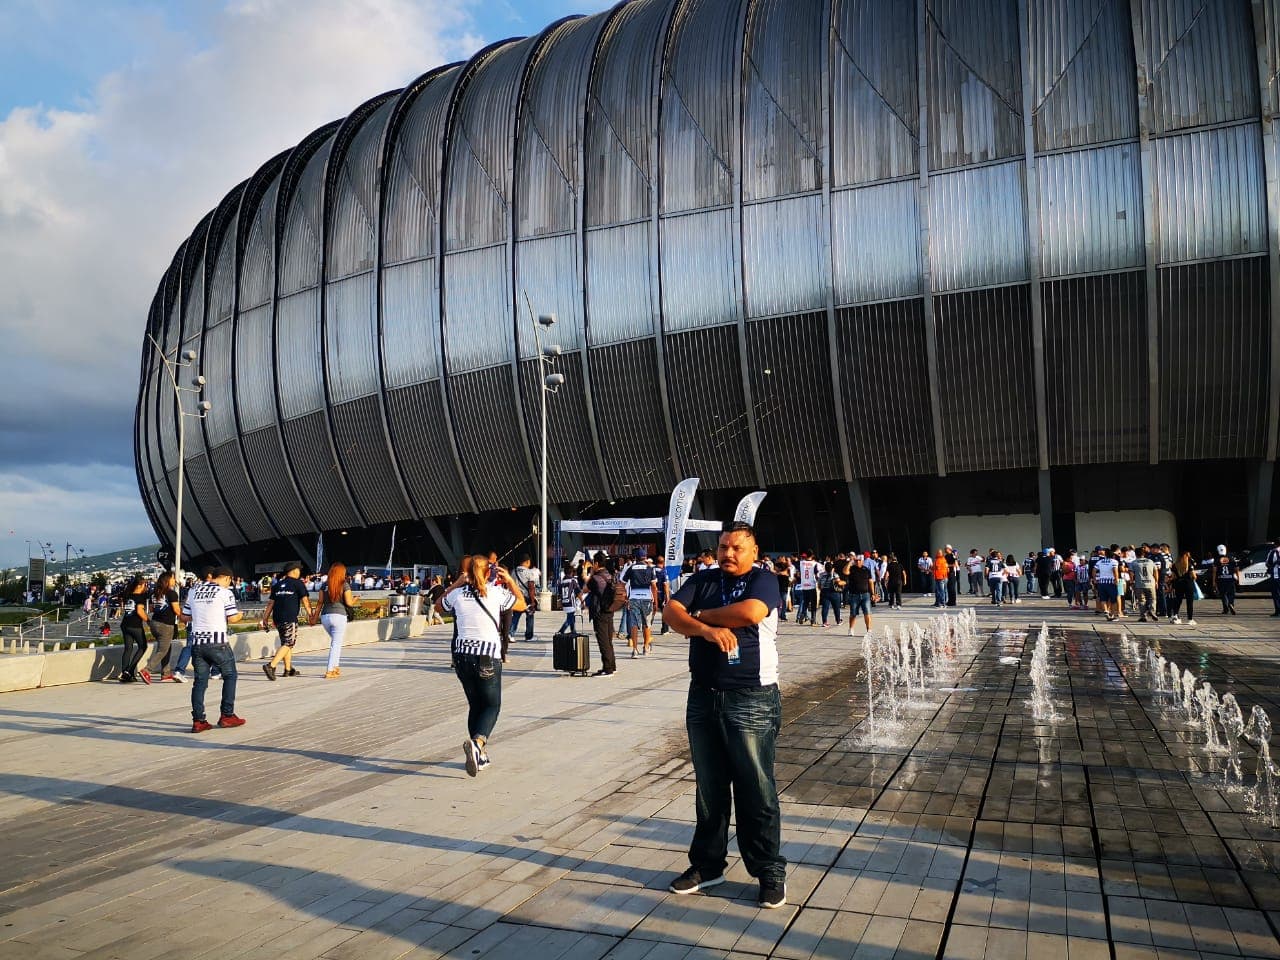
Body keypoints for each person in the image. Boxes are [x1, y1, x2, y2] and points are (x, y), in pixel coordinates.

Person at [661, 523, 786, 910]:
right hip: (703, 696)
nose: (728, 554)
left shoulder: (763, 580)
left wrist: (700, 617)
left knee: (756, 788)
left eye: (736, 548)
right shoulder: (703, 579)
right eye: (723, 547)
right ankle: (707, 864)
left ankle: (768, 869)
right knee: (709, 788)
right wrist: (706, 630)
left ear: (754, 551)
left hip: (751, 697)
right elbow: (671, 613)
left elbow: (750, 612)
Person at [438, 554, 524, 776]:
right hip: (486, 656)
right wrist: (510, 580)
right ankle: (477, 744)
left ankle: (480, 756)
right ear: (489, 573)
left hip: (461, 656)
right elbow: (522, 604)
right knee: (492, 706)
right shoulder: (496, 592)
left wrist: (456, 584)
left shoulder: (457, 594)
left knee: (475, 705)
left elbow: (438, 606)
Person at [180, 566, 245, 732]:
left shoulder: (193, 591)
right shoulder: (224, 592)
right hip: (218, 642)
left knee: (200, 682)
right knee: (230, 675)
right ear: (226, 578)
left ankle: (198, 720)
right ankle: (227, 715)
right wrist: (241, 614)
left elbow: (184, 617)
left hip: (198, 642)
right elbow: (233, 618)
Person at [261, 561, 313, 680]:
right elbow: (305, 601)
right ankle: (271, 666)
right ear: (294, 571)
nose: (299, 572)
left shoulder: (277, 585)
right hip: (289, 618)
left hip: (278, 618)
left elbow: (270, 603)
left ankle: (288, 669)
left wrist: (265, 618)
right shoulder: (298, 583)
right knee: (289, 643)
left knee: (286, 643)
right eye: (298, 570)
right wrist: (311, 615)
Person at [312, 561, 357, 678]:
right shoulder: (344, 584)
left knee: (336, 642)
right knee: (336, 644)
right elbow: (349, 603)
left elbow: (320, 602)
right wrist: (355, 599)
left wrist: (314, 618)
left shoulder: (324, 585)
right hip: (339, 616)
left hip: (325, 617)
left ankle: (335, 668)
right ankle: (330, 670)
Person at [142, 571, 182, 682]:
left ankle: (166, 673)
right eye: (173, 578)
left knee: (167, 647)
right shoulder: (172, 593)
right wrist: (185, 617)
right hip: (166, 625)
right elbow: (176, 610)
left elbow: (151, 609)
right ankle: (146, 670)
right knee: (162, 650)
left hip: (155, 623)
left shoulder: (155, 593)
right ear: (167, 580)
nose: (175, 580)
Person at [585, 552, 618, 677]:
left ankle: (607, 669)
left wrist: (590, 573)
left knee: (603, 641)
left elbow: (585, 588)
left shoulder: (595, 578)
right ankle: (612, 666)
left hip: (600, 612)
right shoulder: (609, 575)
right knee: (608, 640)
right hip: (609, 610)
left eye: (593, 563)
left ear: (597, 563)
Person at [620, 549, 658, 656]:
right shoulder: (650, 568)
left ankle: (635, 650)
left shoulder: (631, 568)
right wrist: (656, 602)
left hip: (634, 599)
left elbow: (622, 583)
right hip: (647, 599)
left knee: (634, 624)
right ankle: (646, 647)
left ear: (635, 557)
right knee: (647, 624)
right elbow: (654, 587)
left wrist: (625, 597)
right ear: (645, 557)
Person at [118, 576, 151, 683]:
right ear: (140, 585)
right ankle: (129, 670)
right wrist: (149, 621)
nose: (146, 587)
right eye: (145, 585)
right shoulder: (140, 597)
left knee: (128, 648)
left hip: (125, 624)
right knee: (143, 646)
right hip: (135, 625)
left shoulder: (128, 595)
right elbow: (139, 611)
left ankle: (125, 673)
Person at [510, 555, 541, 641]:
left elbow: (510, 585)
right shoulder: (529, 572)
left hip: (517, 598)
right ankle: (529, 636)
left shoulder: (514, 571)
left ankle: (510, 634)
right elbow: (531, 587)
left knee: (515, 616)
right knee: (530, 616)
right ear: (527, 561)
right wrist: (532, 601)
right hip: (527, 598)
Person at [845, 554, 876, 635]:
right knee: (853, 614)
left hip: (865, 595)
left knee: (867, 613)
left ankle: (869, 630)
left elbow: (870, 582)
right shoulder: (852, 568)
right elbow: (845, 572)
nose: (858, 562)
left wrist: (873, 593)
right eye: (856, 560)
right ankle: (851, 629)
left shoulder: (866, 569)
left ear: (862, 561)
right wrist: (850, 562)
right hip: (854, 595)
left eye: (859, 560)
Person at [1128, 546, 1159, 622]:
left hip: (1139, 583)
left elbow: (1131, 573)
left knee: (1141, 600)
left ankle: (1143, 616)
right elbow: (1155, 571)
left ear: (1136, 554)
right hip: (1150, 583)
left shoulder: (1133, 563)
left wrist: (1131, 582)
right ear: (1144, 554)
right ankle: (1152, 611)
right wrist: (1156, 581)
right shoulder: (1150, 561)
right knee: (1152, 599)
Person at [1167, 549, 1197, 625]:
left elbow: (1173, 576)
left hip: (1178, 584)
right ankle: (1190, 619)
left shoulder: (1174, 565)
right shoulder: (1189, 565)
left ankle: (1175, 616)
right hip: (1188, 584)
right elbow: (1194, 576)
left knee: (1178, 600)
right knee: (1189, 602)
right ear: (1186, 556)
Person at [1092, 548, 1120, 622]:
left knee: (1103, 599)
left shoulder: (1100, 561)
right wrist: (1116, 579)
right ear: (1113, 555)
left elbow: (1094, 570)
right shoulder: (1114, 561)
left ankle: (1106, 611)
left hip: (1101, 582)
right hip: (1111, 582)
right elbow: (1115, 570)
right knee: (1113, 599)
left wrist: (1094, 579)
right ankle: (1113, 614)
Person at [1210, 545, 1238, 615]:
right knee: (1231, 593)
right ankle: (1231, 604)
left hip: (1221, 579)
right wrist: (1238, 578)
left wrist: (1213, 582)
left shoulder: (1216, 560)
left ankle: (1226, 608)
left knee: (1223, 594)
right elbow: (1236, 569)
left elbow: (1214, 571)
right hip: (1230, 579)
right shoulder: (1231, 558)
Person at [555, 563, 581, 636]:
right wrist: (582, 601)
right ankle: (561, 630)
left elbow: (560, 593)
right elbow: (578, 591)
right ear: (572, 572)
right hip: (571, 602)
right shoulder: (573, 580)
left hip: (564, 602)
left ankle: (573, 631)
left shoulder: (562, 582)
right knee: (570, 618)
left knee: (571, 616)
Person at [794, 552, 820, 625]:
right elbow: (816, 575)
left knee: (805, 602)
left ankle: (802, 615)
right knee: (813, 604)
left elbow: (797, 572)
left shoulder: (801, 563)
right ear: (812, 555)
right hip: (812, 586)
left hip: (804, 586)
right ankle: (813, 620)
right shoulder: (814, 563)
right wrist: (818, 581)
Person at [818, 561, 844, 626]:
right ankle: (838, 621)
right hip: (834, 592)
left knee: (825, 608)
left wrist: (821, 589)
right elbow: (838, 582)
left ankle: (824, 622)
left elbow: (819, 585)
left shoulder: (821, 575)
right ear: (832, 568)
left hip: (824, 592)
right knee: (836, 608)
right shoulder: (835, 574)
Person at [1268, 538, 1280, 618]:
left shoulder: (1273, 552)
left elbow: (1267, 563)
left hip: (1276, 575)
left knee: (1276, 593)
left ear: (1275, 544)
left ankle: (1278, 611)